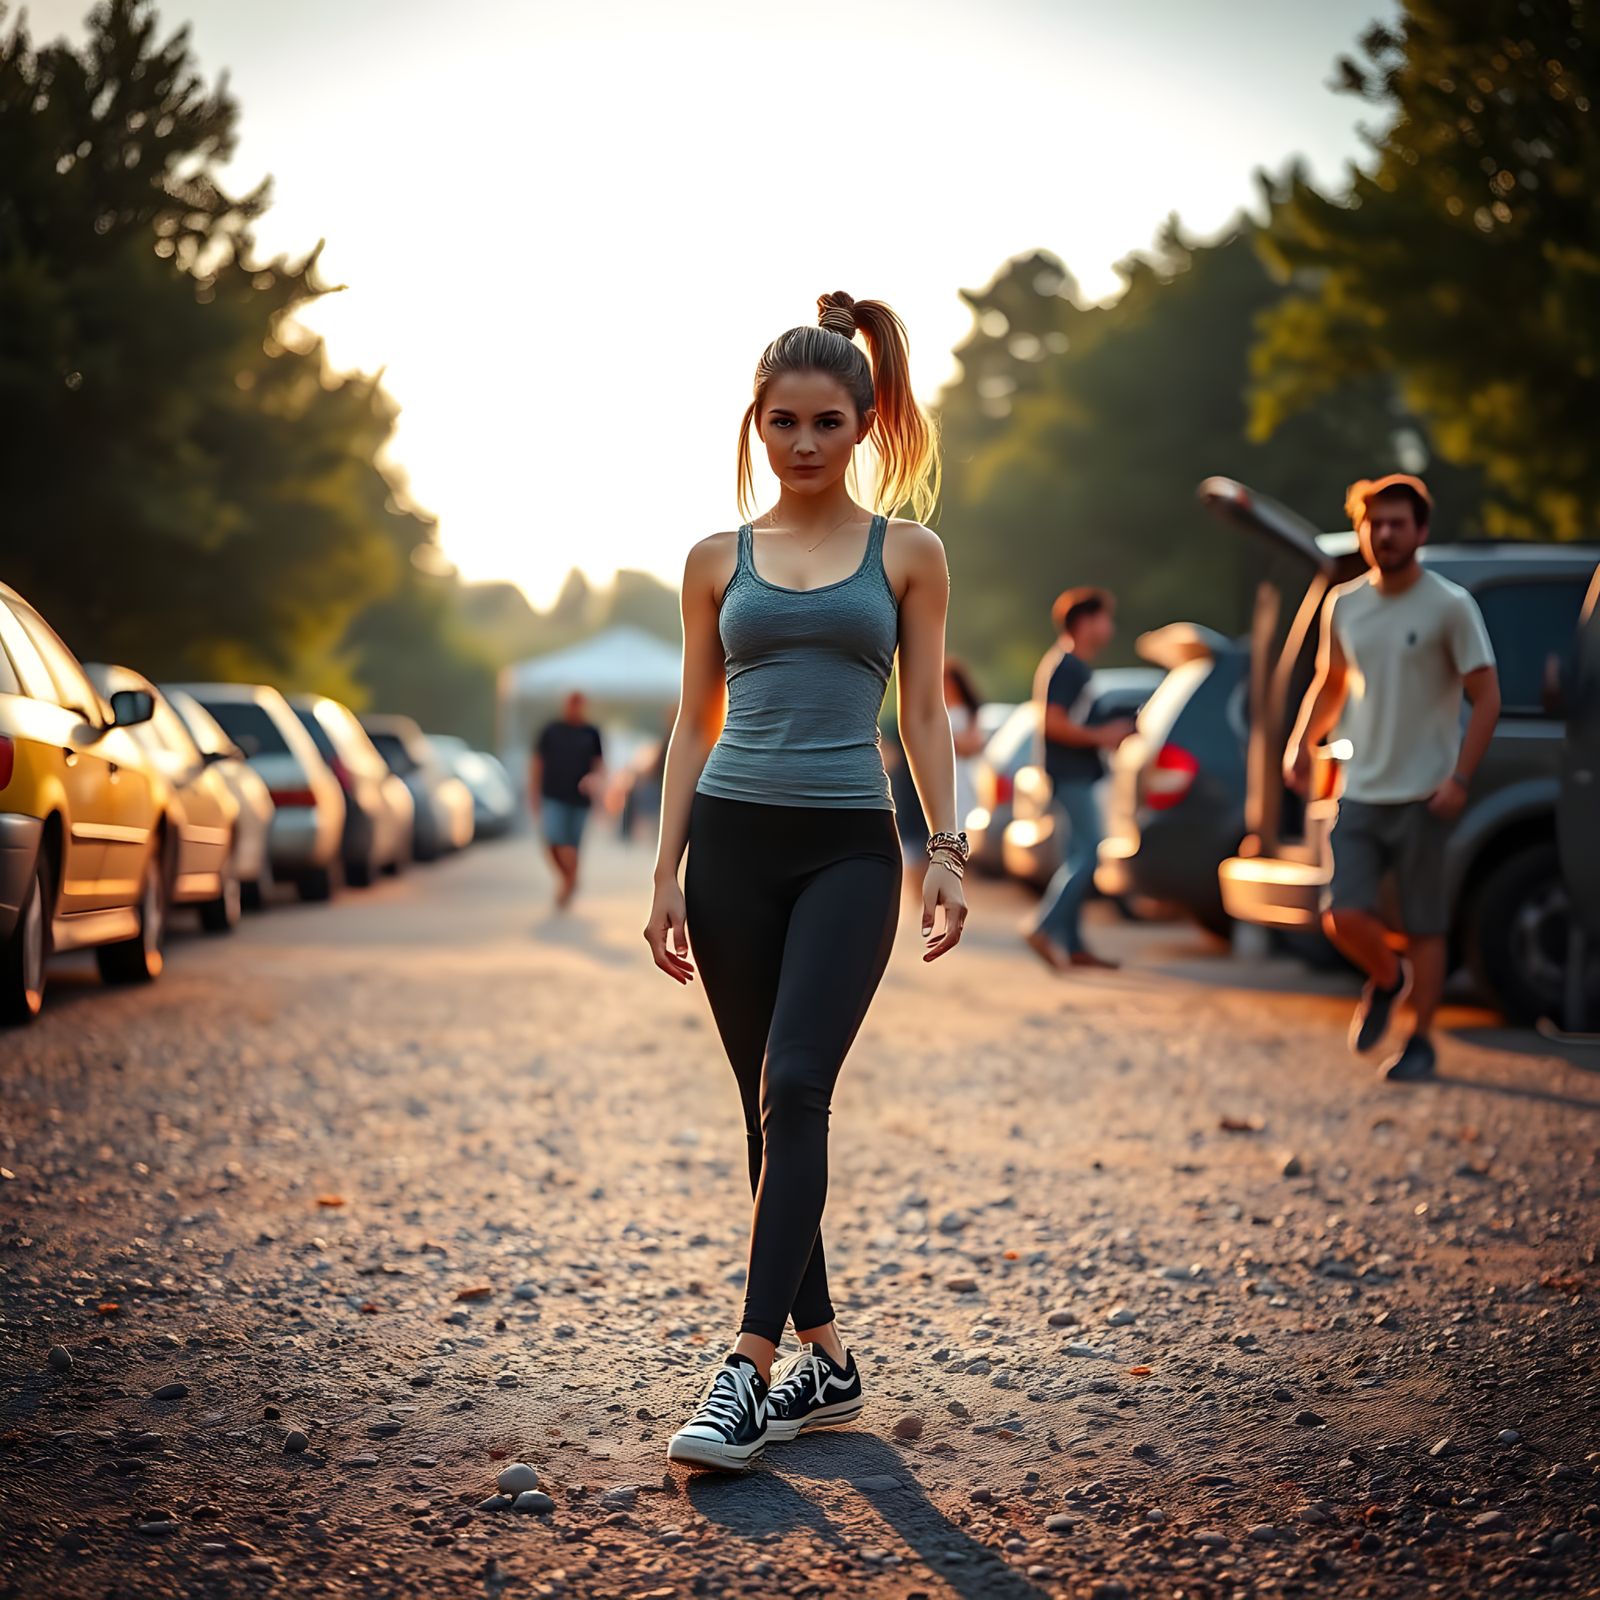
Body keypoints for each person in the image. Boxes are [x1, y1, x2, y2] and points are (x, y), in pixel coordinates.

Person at [644, 289, 965, 1471]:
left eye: (826, 422)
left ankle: (745, 1370)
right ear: (756, 423)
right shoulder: (713, 558)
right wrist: (665, 869)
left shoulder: (909, 553)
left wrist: (947, 850)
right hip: (729, 842)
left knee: (796, 1080)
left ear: (865, 422)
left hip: (844, 846)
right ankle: (825, 1358)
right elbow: (693, 720)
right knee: (765, 1108)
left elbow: (922, 714)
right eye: (781, 421)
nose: (801, 443)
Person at [1283, 473, 1500, 1081]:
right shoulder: (1345, 603)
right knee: (1341, 914)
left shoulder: (1450, 606)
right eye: (1373, 523)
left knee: (1425, 924)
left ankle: (1421, 1040)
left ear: (1420, 531)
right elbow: (1331, 682)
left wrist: (1460, 778)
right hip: (1361, 788)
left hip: (1425, 793)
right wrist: (1303, 742)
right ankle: (1387, 976)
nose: (1384, 533)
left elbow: (1486, 697)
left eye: (1397, 523)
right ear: (1362, 529)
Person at [1020, 587, 1133, 972]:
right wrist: (1104, 735)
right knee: (1090, 854)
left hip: (1073, 773)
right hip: (1072, 775)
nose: (1110, 627)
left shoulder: (1068, 665)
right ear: (1085, 622)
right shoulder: (1068, 667)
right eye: (1105, 618)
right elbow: (1052, 723)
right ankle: (1044, 925)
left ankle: (1074, 945)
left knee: (1075, 856)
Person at [530, 690, 605, 909]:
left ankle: (568, 884)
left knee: (572, 847)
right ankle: (569, 880)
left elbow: (599, 765)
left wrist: (595, 781)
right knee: (553, 842)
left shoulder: (591, 733)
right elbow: (537, 764)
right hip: (553, 795)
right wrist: (533, 793)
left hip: (580, 799)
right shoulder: (550, 731)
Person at [944, 657, 986, 840]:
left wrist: (953, 741)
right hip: (947, 776)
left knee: (964, 820)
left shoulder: (969, 713)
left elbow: (974, 744)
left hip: (964, 775)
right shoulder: (944, 713)